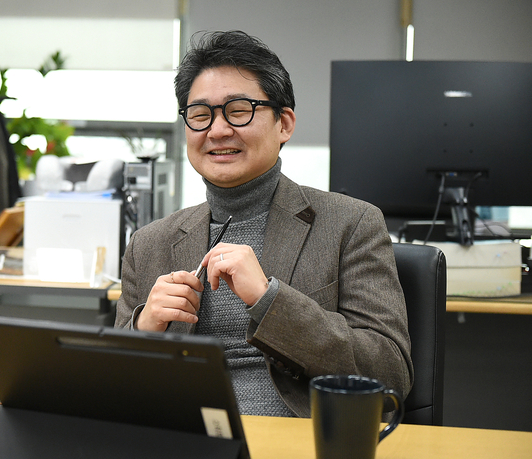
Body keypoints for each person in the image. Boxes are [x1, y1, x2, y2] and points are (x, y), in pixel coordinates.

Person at [115, 30, 413, 417]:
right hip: (182, 438)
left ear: (284, 124)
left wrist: (271, 302)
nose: (217, 130)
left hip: (298, 441)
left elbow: (389, 373)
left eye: (239, 110)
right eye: (201, 115)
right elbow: (112, 386)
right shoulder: (149, 242)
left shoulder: (351, 224)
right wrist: (145, 329)